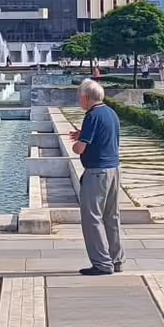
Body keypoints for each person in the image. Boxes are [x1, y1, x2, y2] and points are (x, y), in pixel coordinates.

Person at [69, 78, 124, 275]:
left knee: (92, 218)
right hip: (113, 170)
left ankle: (102, 263)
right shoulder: (110, 113)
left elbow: (80, 148)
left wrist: (76, 144)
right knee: (111, 216)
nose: (78, 100)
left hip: (97, 172)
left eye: (79, 97)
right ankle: (116, 260)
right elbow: (104, 137)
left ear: (85, 97)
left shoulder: (92, 115)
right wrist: (82, 135)